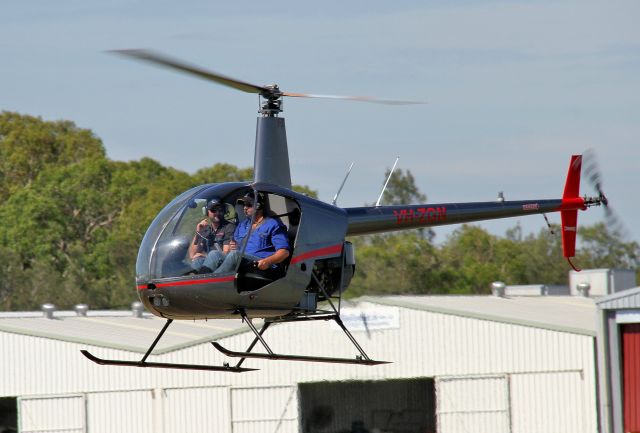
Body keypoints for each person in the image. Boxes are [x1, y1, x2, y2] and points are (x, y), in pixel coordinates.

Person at [213, 192, 290, 275]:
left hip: (259, 265)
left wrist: (267, 261)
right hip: (241, 263)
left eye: (249, 205)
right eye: (244, 205)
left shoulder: (273, 224)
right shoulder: (242, 225)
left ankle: (211, 282)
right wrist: (233, 247)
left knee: (235, 255)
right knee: (214, 254)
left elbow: (284, 252)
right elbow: (234, 248)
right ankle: (199, 281)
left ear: (258, 206)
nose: (245, 208)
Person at [189, 197, 236, 274]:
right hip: (209, 264)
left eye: (220, 210)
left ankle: (200, 281)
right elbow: (192, 255)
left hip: (224, 264)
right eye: (213, 210)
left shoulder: (229, 227)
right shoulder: (205, 229)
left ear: (224, 211)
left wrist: (205, 255)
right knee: (197, 261)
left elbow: (226, 252)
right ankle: (189, 282)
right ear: (206, 212)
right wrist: (198, 232)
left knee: (213, 254)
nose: (217, 212)